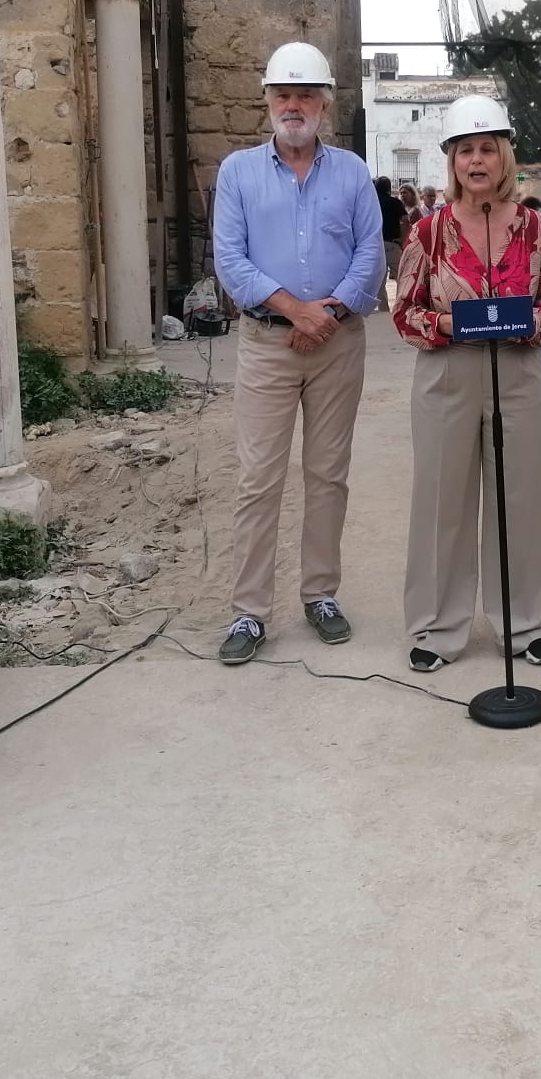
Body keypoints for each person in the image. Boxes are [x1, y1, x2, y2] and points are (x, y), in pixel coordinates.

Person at [209, 41, 383, 664]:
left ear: (325, 104)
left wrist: (328, 312)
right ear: (267, 101)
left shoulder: (354, 173)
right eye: (283, 94)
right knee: (259, 479)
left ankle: (320, 595)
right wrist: (295, 310)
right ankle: (250, 612)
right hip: (267, 343)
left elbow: (371, 253)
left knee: (327, 474)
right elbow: (231, 259)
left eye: (305, 94)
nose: (293, 105)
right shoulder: (238, 173)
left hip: (337, 342)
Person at [393, 95, 541, 672]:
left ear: (504, 156)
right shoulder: (427, 233)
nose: (476, 160)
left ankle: (524, 623)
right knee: (443, 499)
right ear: (451, 160)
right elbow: (405, 313)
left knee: (519, 498)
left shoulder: (537, 229)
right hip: (449, 371)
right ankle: (438, 628)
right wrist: (449, 324)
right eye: (465, 149)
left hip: (517, 369)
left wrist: (530, 323)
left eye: (487, 148)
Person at [376, 174, 408, 302]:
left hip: (377, 246)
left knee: (379, 281)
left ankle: (384, 309)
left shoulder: (372, 202)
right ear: (389, 188)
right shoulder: (396, 203)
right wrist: (403, 239)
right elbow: (406, 221)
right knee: (402, 278)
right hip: (393, 244)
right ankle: (401, 305)